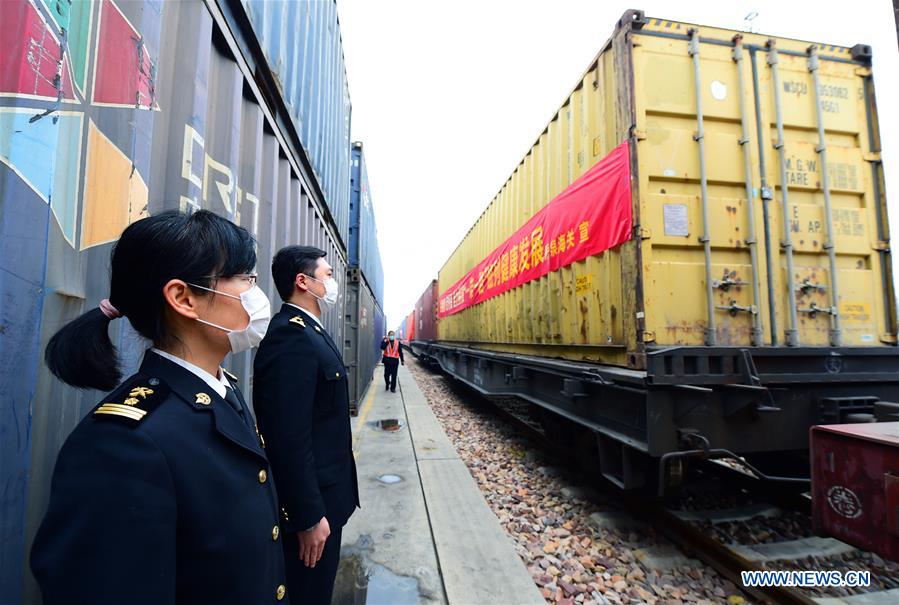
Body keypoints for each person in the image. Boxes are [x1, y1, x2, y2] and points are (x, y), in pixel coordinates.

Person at [31, 210, 289, 604]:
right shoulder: (123, 445)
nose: (255, 293)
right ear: (184, 298)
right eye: (244, 278)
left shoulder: (221, 391)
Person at [253, 245, 360, 605]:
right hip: (316, 510)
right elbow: (287, 438)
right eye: (328, 274)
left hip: (329, 499)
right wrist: (308, 516)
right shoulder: (290, 336)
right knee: (308, 594)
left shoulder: (310, 330)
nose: (333, 283)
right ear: (303, 281)